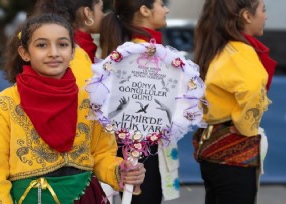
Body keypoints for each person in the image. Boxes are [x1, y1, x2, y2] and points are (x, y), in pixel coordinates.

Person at [0, 13, 145, 203]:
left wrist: (121, 171)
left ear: (73, 51)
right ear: (24, 53)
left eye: (63, 44)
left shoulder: (91, 101)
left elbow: (101, 155)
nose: (54, 53)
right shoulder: (4, 104)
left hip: (85, 198)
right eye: (42, 45)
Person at [192, 0, 277, 204]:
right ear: (247, 16)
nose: (265, 17)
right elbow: (252, 90)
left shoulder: (221, 48)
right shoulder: (241, 51)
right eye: (263, 10)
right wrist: (248, 129)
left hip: (212, 151)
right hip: (233, 155)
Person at [99, 1, 180, 203]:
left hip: (137, 141)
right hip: (141, 144)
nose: (166, 9)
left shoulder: (137, 49)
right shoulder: (142, 53)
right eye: (161, 4)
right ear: (145, 10)